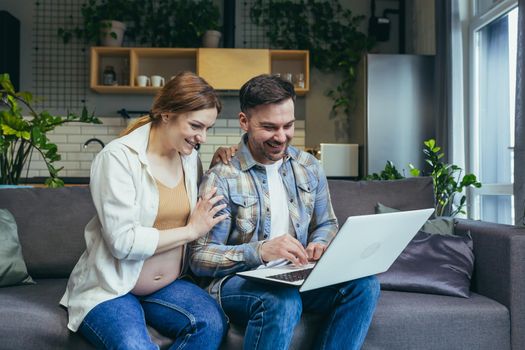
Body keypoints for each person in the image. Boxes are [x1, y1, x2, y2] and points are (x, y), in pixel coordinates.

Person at [190, 74, 380, 350]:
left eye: (288, 125)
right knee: (282, 301)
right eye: (269, 127)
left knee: (364, 285)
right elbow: (200, 257)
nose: (281, 137)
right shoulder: (222, 177)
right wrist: (261, 250)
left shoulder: (308, 166)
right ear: (244, 121)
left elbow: (326, 223)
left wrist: (319, 243)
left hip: (296, 274)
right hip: (236, 283)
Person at [60, 71, 230, 350]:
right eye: (197, 126)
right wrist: (190, 231)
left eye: (208, 129)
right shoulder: (117, 158)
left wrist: (219, 161)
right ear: (166, 114)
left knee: (212, 324)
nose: (203, 137)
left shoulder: (189, 158)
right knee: (134, 346)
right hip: (113, 289)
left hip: (167, 288)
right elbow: (123, 242)